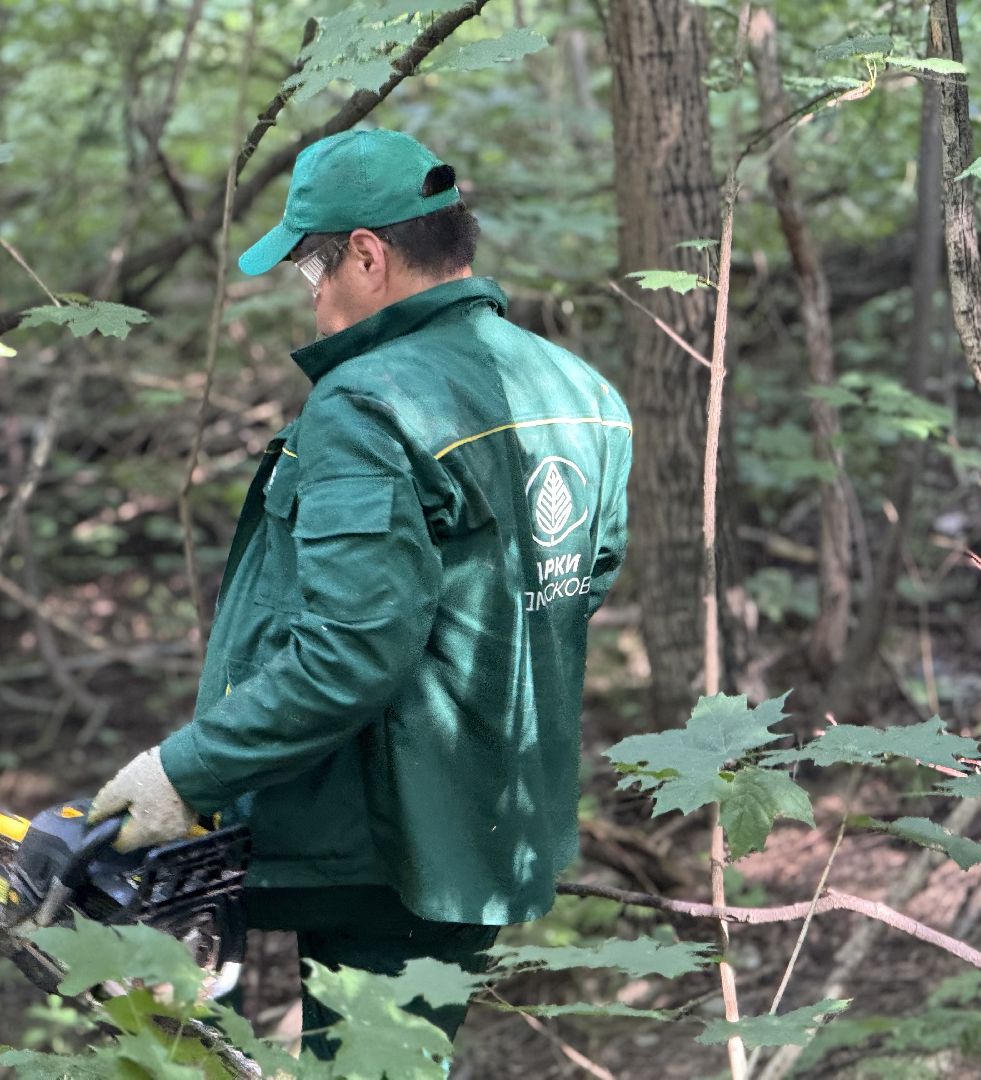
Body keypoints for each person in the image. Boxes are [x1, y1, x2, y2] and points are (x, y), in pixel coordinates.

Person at [89, 128, 632, 1058]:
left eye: (312, 272)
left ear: (369, 256)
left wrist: (183, 773)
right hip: (491, 818)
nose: (315, 303)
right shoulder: (579, 388)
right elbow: (586, 576)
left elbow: (352, 652)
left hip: (384, 841)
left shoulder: (368, 402)